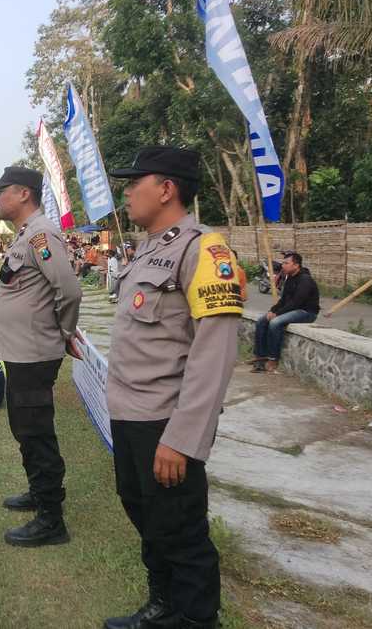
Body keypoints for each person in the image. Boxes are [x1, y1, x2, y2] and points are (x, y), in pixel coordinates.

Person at [101, 146, 242, 629]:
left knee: (181, 530)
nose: (126, 194)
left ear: (165, 189)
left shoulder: (204, 250)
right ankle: (164, 606)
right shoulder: (148, 247)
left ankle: (198, 619)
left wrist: (182, 439)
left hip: (165, 422)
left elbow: (214, 354)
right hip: (129, 414)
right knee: (146, 515)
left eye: (133, 183)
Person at [0, 166, 82, 547]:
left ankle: (51, 519)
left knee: (36, 432)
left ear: (24, 194)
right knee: (25, 429)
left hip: (33, 353)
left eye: (3, 191)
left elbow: (69, 290)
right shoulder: (27, 234)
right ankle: (39, 492)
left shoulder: (42, 234)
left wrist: (64, 333)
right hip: (21, 352)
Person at [251, 251, 319, 374]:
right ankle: (260, 358)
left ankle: (273, 359)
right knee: (262, 320)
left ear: (296, 265)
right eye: (283, 263)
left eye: (286, 263)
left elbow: (296, 302)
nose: (283, 266)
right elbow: (283, 300)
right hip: (293, 310)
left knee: (275, 323)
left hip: (306, 312)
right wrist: (272, 310)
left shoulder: (305, 280)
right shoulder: (289, 278)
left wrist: (277, 314)